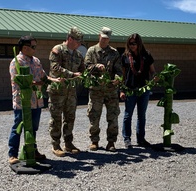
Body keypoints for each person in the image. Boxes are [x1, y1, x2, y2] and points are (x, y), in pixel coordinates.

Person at [8, 35, 62, 164]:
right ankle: (12, 154)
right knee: (18, 127)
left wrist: (55, 80)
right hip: (23, 102)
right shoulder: (17, 61)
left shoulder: (36, 61)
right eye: (33, 46)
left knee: (33, 128)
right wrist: (38, 83)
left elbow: (43, 77)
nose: (35, 49)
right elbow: (20, 81)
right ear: (25, 47)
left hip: (36, 101)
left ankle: (33, 151)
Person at [47, 27, 85, 157]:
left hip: (71, 92)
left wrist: (83, 75)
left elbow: (82, 70)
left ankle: (68, 144)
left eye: (80, 42)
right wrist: (72, 74)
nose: (79, 44)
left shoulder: (78, 54)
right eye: (77, 41)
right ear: (70, 38)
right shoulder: (57, 50)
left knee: (70, 118)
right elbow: (55, 68)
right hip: (57, 91)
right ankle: (56, 145)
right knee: (56, 118)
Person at [84, 27, 122, 152]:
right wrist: (96, 66)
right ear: (99, 36)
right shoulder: (91, 50)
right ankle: (94, 141)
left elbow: (118, 70)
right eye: (103, 38)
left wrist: (117, 79)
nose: (105, 40)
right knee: (94, 116)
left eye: (107, 38)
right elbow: (86, 67)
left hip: (110, 89)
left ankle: (111, 142)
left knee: (113, 116)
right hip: (96, 90)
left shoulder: (114, 52)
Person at [120, 33, 158, 148]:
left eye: (134, 43)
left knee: (142, 115)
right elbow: (122, 75)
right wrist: (122, 90)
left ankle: (141, 139)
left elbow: (152, 71)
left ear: (139, 43)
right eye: (130, 43)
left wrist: (155, 77)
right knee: (128, 115)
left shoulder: (146, 55)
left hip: (144, 90)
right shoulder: (125, 56)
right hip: (130, 90)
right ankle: (127, 139)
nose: (132, 45)